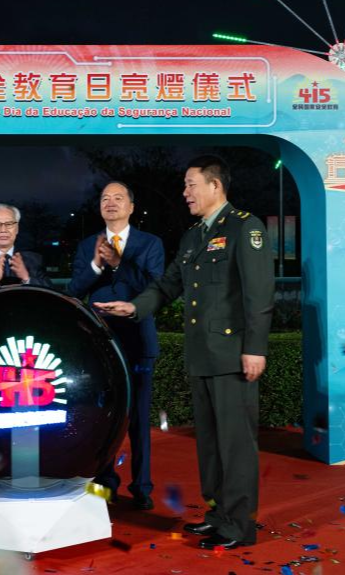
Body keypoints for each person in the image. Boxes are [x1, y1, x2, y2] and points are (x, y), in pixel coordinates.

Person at [94, 156, 274, 549]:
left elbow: (258, 295)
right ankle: (217, 515)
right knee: (210, 444)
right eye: (185, 185)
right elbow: (168, 284)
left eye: (192, 185)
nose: (185, 192)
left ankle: (238, 526)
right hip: (203, 355)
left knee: (235, 445)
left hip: (232, 355)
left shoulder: (246, 228)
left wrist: (255, 349)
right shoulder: (195, 236)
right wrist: (135, 307)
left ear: (215, 186)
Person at [67, 182, 164, 510]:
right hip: (100, 345)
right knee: (101, 417)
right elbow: (74, 289)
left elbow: (154, 289)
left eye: (118, 198)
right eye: (105, 199)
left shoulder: (151, 244)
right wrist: (96, 266)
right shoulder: (86, 246)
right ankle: (104, 485)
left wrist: (119, 262)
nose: (111, 203)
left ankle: (143, 486)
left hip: (137, 342)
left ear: (131, 206)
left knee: (138, 419)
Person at [0, 203, 53, 298]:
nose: (3, 230)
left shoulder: (34, 259)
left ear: (17, 229)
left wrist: (27, 278)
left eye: (9, 224)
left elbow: (51, 294)